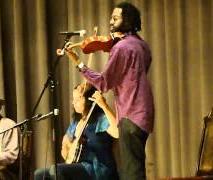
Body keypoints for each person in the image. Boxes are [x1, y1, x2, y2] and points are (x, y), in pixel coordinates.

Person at [60, 2, 154, 180]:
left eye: (115, 18)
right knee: (135, 166)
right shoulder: (143, 46)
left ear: (127, 20)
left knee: (131, 172)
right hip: (144, 114)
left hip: (130, 114)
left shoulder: (121, 48)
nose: (110, 21)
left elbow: (103, 83)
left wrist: (78, 63)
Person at [34, 83, 119, 180]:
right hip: (78, 166)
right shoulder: (76, 121)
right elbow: (66, 141)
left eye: (78, 99)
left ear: (89, 100)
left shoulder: (100, 119)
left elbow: (117, 132)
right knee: (40, 174)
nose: (74, 103)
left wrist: (104, 106)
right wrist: (68, 149)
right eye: (73, 99)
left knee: (57, 170)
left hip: (97, 168)